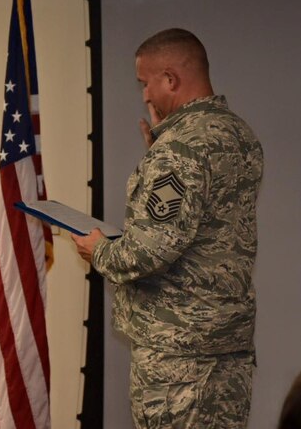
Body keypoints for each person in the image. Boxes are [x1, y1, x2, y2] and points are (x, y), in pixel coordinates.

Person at [73, 28, 263, 428]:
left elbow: (151, 248)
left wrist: (99, 250)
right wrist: (159, 148)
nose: (144, 95)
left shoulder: (180, 149)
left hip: (178, 359)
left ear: (171, 79)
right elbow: (206, 220)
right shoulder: (239, 134)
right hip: (228, 349)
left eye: (146, 83)